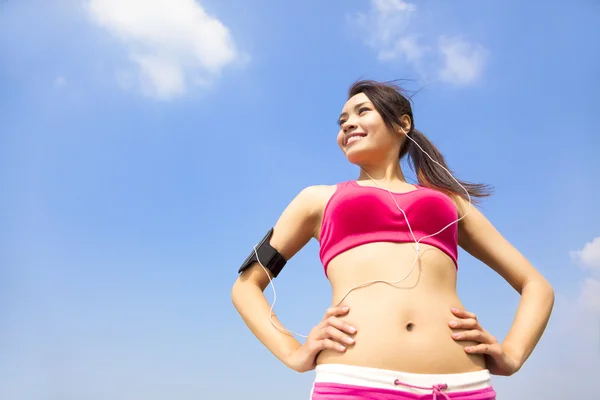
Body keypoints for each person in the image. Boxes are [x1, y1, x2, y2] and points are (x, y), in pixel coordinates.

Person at [231, 79, 554, 399]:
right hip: (356, 383)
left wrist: (512, 355)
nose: (348, 125)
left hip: (461, 387)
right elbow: (246, 286)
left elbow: (535, 285)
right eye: (342, 121)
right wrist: (293, 353)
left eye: (362, 112)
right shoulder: (316, 200)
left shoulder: (451, 203)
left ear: (403, 124)